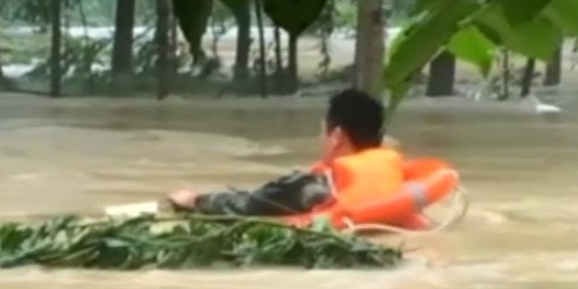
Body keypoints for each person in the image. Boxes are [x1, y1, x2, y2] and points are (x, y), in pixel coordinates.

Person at [167, 88, 402, 219]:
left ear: (337, 136)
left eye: (322, 131)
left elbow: (249, 205)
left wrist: (194, 200)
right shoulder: (399, 182)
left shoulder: (313, 188)